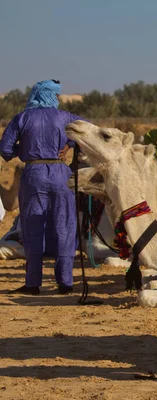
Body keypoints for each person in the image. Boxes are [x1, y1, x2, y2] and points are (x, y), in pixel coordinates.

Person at [0, 79, 83, 295]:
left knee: (32, 227)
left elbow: (5, 149)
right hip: (61, 175)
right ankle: (65, 282)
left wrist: (24, 149)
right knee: (64, 225)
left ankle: (33, 283)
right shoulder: (66, 117)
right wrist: (69, 145)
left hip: (33, 175)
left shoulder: (23, 117)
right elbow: (89, 131)